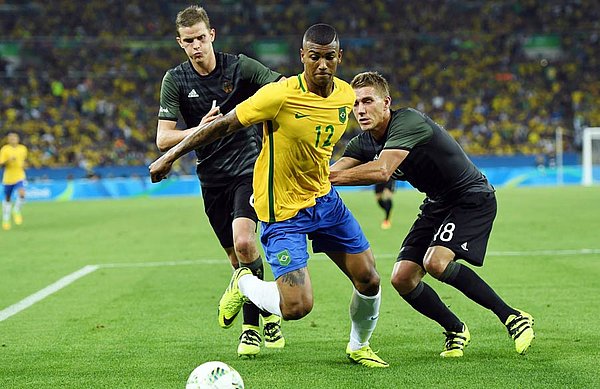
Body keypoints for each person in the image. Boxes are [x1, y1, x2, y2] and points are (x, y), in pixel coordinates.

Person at [150, 24, 388, 368]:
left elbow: (374, 121)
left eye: (330, 57)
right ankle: (244, 281)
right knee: (296, 307)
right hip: (283, 210)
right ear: (302, 56)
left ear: (339, 58)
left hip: (325, 200)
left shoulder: (345, 96)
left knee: (369, 278)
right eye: (315, 57)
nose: (322, 64)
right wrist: (170, 156)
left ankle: (358, 345)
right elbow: (223, 125)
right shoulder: (279, 94)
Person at [329, 71, 535, 357]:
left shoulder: (408, 121)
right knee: (403, 278)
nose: (361, 110)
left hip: (471, 197)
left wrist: (330, 179)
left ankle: (513, 317)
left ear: (386, 102)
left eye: (368, 101)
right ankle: (455, 328)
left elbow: (382, 170)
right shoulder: (363, 143)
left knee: (436, 262)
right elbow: (330, 172)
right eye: (355, 104)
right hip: (438, 203)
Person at [155, 5, 285, 358]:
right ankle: (269, 304)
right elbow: (164, 140)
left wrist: (260, 111)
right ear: (179, 43)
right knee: (235, 258)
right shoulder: (176, 80)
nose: (196, 45)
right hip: (211, 180)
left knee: (244, 243)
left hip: (248, 170)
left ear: (211, 35)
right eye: (188, 41)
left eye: (201, 38)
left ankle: (250, 331)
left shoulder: (239, 67)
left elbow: (282, 87)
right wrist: (203, 127)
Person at [0, 132, 27, 231]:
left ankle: (16, 210)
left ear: (18, 139)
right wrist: (8, 160)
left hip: (20, 176)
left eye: (14, 138)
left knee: (22, 193)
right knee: (7, 199)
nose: (13, 140)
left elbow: (23, 161)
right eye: (11, 138)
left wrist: (24, 165)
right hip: (8, 178)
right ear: (8, 140)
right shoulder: (5, 149)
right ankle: (6, 219)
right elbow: (1, 164)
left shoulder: (23, 149)